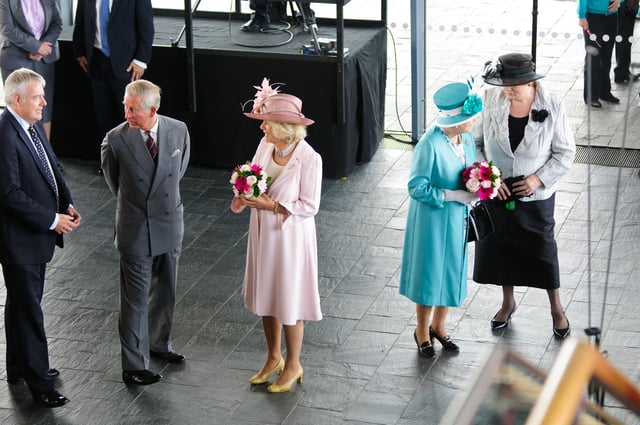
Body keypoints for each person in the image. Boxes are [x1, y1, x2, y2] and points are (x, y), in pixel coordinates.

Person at [474, 53, 576, 339]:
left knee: (543, 251)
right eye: (505, 83)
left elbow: (566, 152)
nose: (509, 89)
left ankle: (556, 308)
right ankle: (508, 303)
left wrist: (537, 179)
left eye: (516, 84)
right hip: (499, 193)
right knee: (502, 248)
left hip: (536, 197)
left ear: (531, 82)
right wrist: (490, 177)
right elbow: (476, 143)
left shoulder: (552, 103)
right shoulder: (490, 99)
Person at [231, 79, 322, 393]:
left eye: (267, 124)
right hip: (264, 234)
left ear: (285, 127)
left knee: (289, 300)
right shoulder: (267, 146)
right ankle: (273, 357)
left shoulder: (310, 159)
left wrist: (270, 204)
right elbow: (254, 174)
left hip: (291, 240)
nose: (263, 129)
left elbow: (310, 206)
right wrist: (243, 193)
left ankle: (294, 363)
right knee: (267, 296)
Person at [0, 68, 81, 407]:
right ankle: (39, 382)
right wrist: (52, 219)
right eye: (37, 97)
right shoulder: (4, 133)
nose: (44, 102)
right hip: (19, 240)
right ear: (16, 100)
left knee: (20, 301)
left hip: (35, 237)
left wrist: (68, 203)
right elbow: (8, 192)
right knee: (30, 309)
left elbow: (52, 168)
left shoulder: (30, 127)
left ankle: (18, 365)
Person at [101, 79, 190, 386]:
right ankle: (134, 365)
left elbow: (176, 174)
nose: (127, 112)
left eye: (133, 109)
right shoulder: (114, 140)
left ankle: (158, 344)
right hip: (135, 229)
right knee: (135, 300)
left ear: (153, 109)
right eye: (125, 106)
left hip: (169, 224)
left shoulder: (178, 130)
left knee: (166, 290)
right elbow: (115, 184)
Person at [399, 82, 482, 357]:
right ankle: (421, 330)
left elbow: (470, 169)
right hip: (432, 222)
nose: (473, 122)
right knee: (430, 274)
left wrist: (477, 186)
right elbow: (416, 187)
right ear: (456, 121)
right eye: (469, 118)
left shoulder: (466, 138)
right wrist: (452, 195)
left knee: (450, 272)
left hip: (457, 219)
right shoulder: (429, 144)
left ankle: (439, 326)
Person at [72, 0, 154, 172]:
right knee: (103, 115)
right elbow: (81, 21)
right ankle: (109, 162)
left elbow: (146, 25)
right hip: (96, 60)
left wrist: (141, 60)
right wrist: (79, 51)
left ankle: (131, 163)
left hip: (126, 64)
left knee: (129, 116)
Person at [0, 0, 62, 141]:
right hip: (15, 59)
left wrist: (42, 48)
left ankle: (44, 158)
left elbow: (57, 23)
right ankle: (18, 157)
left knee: (44, 109)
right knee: (19, 112)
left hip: (44, 59)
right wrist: (35, 47)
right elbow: (6, 28)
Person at [578, 0, 620, 108]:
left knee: (606, 57)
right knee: (593, 57)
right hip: (593, 17)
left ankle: (604, 92)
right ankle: (591, 96)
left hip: (612, 16)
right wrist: (581, 15)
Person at [614, 0, 640, 84]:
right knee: (624, 39)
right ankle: (621, 72)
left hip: (627, 6)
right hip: (625, 6)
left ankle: (623, 71)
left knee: (625, 39)